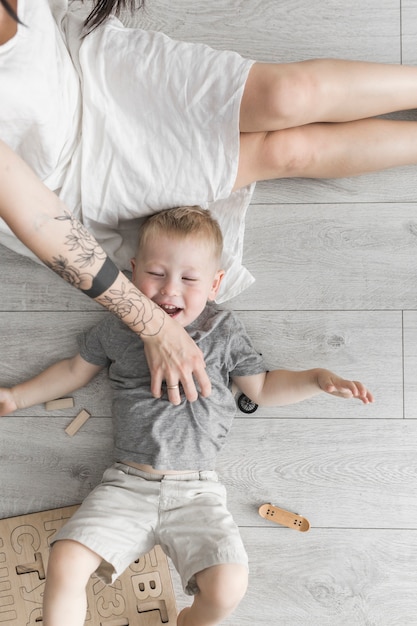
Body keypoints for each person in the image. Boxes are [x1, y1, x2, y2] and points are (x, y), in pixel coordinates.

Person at [1, 0, 415, 397]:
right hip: (65, 183)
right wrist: (156, 329)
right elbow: (40, 219)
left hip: (84, 67)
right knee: (284, 151)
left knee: (287, 95)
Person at [0, 206, 374, 626]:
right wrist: (17, 396)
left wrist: (316, 379)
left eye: (189, 279)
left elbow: (263, 388)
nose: (169, 291)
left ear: (215, 284)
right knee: (65, 559)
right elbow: (73, 371)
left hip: (197, 493)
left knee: (229, 585)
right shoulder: (118, 327)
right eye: (156, 274)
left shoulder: (223, 331)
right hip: (127, 484)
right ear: (133, 270)